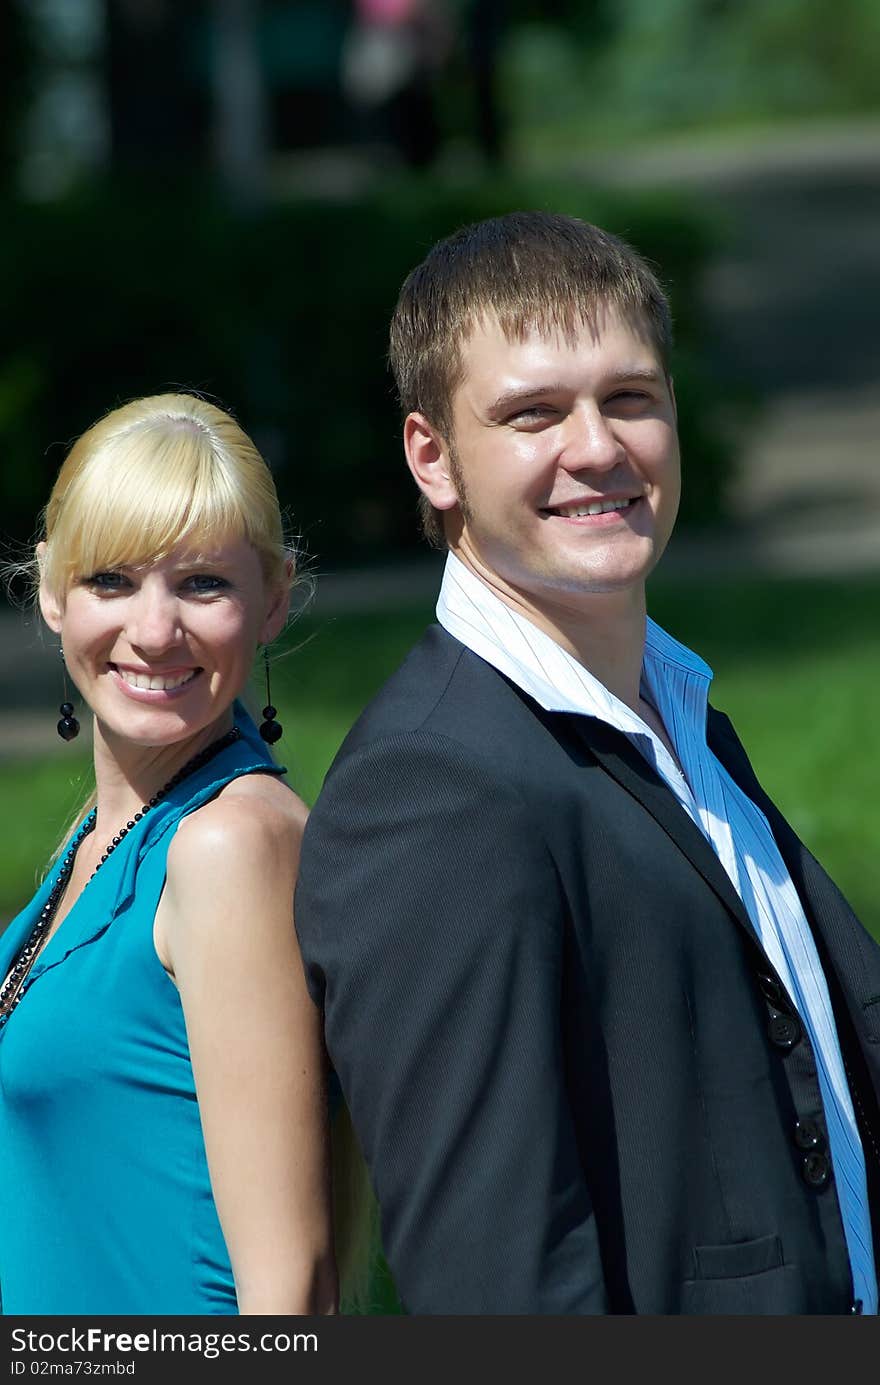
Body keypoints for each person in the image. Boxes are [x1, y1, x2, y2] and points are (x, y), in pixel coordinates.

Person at [294, 211, 880, 1314]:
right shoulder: (431, 792)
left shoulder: (678, 713)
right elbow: (494, 1277)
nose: (598, 446)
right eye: (531, 413)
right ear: (433, 456)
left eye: (629, 396)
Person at [0, 393, 340, 1316]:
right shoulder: (101, 835)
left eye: (202, 584)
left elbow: (293, 1291)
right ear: (49, 590)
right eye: (111, 579)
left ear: (273, 599)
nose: (154, 631)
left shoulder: (229, 844)